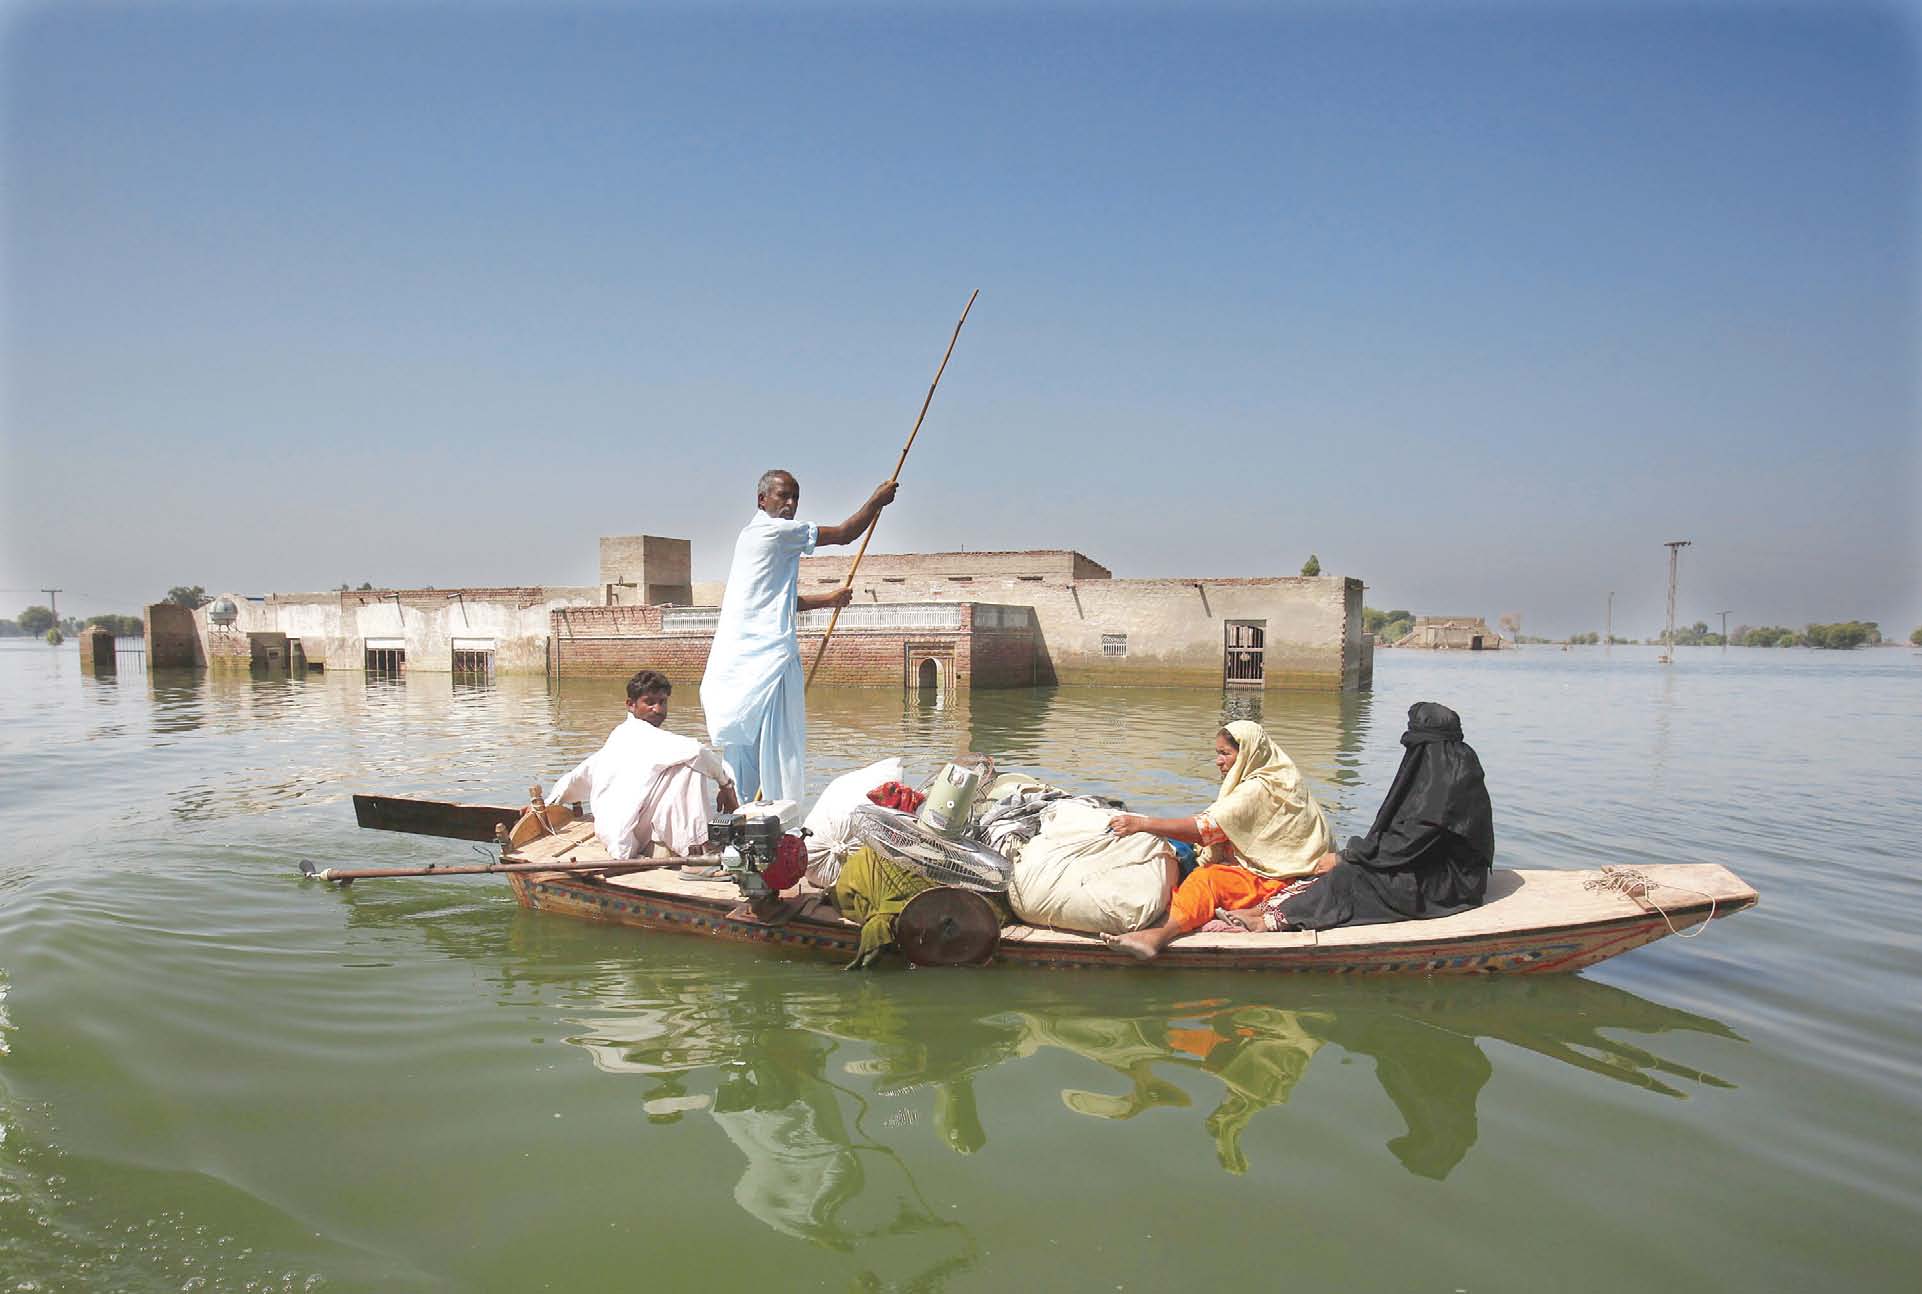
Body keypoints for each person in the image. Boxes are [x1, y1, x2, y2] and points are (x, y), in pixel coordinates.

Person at [699, 470, 899, 802]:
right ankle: (778, 820)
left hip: (743, 667)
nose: (791, 504)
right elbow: (845, 534)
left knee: (745, 751)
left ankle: (740, 817)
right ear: (762, 500)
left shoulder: (749, 536)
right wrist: (876, 502)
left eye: (795, 497)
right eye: (783, 496)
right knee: (780, 746)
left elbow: (775, 601)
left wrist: (829, 599)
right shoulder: (775, 532)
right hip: (770, 660)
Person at [1223, 701, 1493, 933]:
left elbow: (1411, 841)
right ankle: (1260, 910)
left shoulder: (1447, 778)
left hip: (1450, 884)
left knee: (1351, 876)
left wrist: (1349, 856)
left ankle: (1272, 921)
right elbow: (1404, 840)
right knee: (1340, 870)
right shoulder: (1450, 764)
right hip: (1428, 865)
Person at [1100, 720, 1334, 961]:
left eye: (1225, 753)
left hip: (1279, 879)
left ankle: (1158, 936)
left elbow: (1204, 830)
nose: (1219, 761)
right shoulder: (1282, 777)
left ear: (1247, 753)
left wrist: (1141, 824)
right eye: (1218, 753)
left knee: (1206, 879)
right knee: (1185, 852)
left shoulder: (1258, 788)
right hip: (1280, 868)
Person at [547, 669, 739, 859]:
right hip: (626, 835)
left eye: (662, 702)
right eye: (650, 702)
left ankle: (681, 843)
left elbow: (581, 774)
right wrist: (726, 787)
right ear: (631, 705)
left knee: (681, 761)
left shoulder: (621, 735)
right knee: (688, 765)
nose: (658, 709)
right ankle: (695, 850)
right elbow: (699, 752)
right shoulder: (645, 737)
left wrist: (550, 801)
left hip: (617, 835)